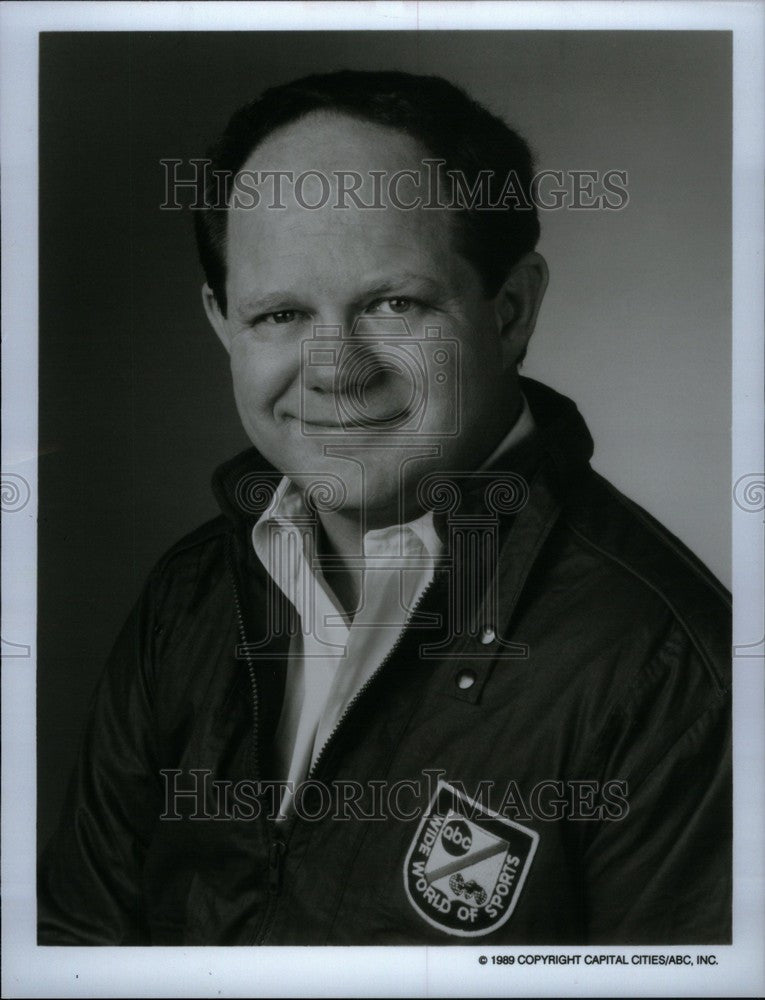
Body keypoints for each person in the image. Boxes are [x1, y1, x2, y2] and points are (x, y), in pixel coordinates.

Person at [38, 70, 731, 946]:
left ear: (510, 309)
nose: (335, 368)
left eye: (393, 304)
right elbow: (76, 950)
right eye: (280, 314)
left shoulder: (673, 670)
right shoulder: (188, 595)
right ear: (221, 323)